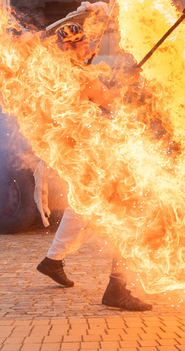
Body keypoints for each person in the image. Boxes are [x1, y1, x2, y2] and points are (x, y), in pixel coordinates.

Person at [36, 23, 152, 311]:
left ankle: (53, 260)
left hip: (73, 153)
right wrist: (129, 79)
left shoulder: (51, 72)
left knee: (84, 207)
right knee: (125, 213)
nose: (89, 46)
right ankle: (117, 287)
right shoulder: (82, 77)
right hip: (91, 155)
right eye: (83, 43)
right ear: (71, 48)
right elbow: (109, 102)